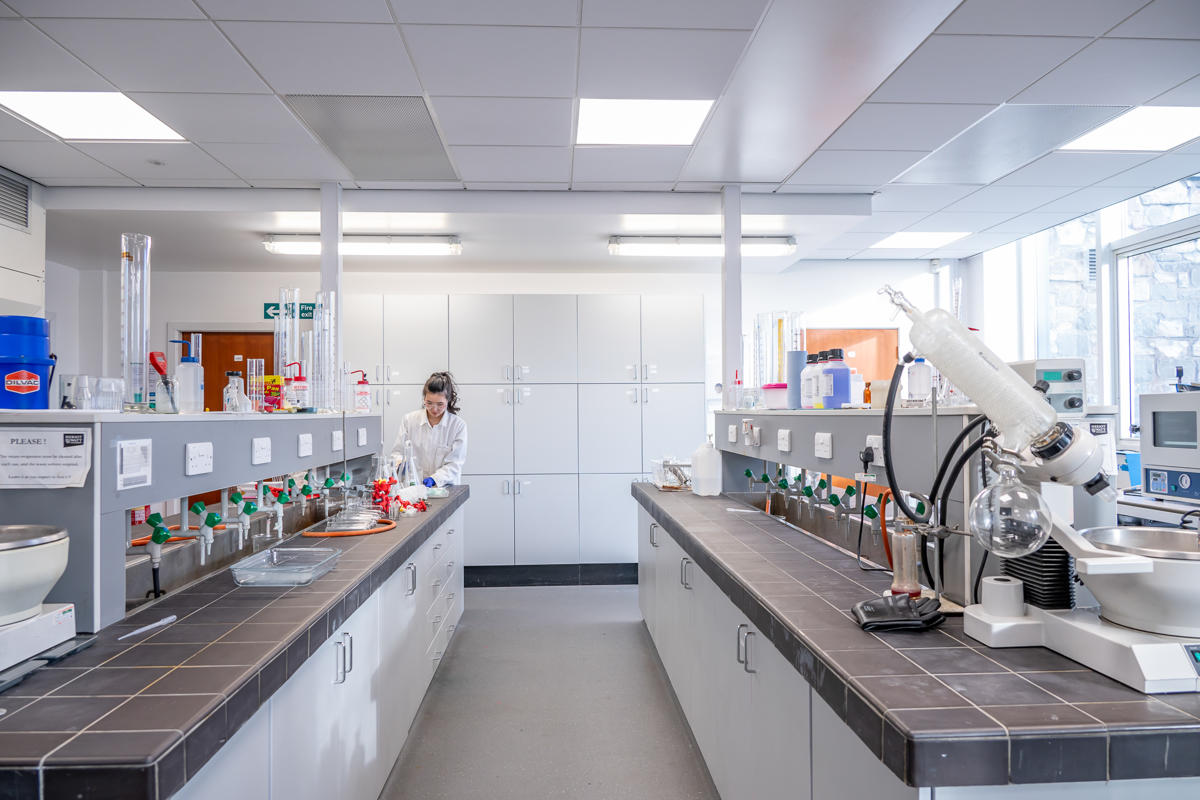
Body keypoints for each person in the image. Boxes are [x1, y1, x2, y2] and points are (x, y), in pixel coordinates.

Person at [390, 371, 467, 487]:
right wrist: (400, 463)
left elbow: (455, 464)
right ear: (424, 399)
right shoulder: (409, 420)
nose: (434, 409)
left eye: (440, 404)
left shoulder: (457, 426)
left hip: (444, 488)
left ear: (448, 400)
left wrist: (434, 479)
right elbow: (397, 452)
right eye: (429, 403)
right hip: (413, 487)